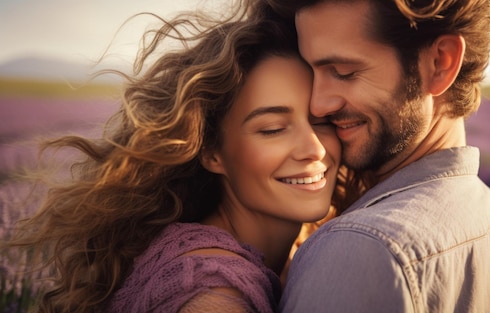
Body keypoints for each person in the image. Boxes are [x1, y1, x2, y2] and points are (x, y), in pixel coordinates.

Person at [7, 3, 344, 312]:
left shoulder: (298, 244)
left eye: (322, 121)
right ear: (212, 152)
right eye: (272, 128)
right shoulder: (211, 287)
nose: (314, 148)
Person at [262, 0, 490, 312]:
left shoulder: (361, 249)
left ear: (440, 62)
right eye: (312, 72)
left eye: (344, 72)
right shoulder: (481, 205)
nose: (318, 105)